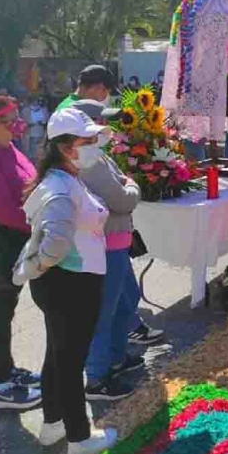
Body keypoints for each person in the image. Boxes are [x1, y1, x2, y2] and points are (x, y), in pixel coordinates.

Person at [12, 108, 118, 454]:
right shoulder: (60, 187)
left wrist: (41, 270)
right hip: (71, 283)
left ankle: (53, 423)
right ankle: (79, 438)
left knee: (58, 354)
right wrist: (38, 267)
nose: (93, 146)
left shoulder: (64, 177)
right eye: (86, 141)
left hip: (64, 282)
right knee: (71, 360)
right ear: (65, 147)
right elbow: (55, 244)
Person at [71, 100, 160, 400]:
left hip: (115, 243)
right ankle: (97, 377)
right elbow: (123, 199)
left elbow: (121, 191)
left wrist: (125, 185)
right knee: (104, 311)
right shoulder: (91, 163)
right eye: (99, 122)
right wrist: (131, 185)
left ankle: (116, 358)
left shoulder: (98, 157)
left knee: (126, 301)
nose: (106, 128)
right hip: (106, 244)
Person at [0, 94, 42, 411]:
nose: (16, 125)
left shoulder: (9, 147)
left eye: (16, 117)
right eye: (7, 120)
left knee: (7, 311)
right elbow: (3, 211)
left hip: (16, 240)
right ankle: (1, 385)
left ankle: (9, 371)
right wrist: (42, 227)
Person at [21, 96, 50, 163]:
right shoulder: (25, 111)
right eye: (34, 101)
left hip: (42, 134)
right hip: (30, 135)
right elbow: (22, 123)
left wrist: (43, 123)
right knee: (31, 153)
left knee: (41, 151)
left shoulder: (44, 110)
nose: (36, 102)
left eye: (37, 101)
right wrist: (29, 124)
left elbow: (47, 121)